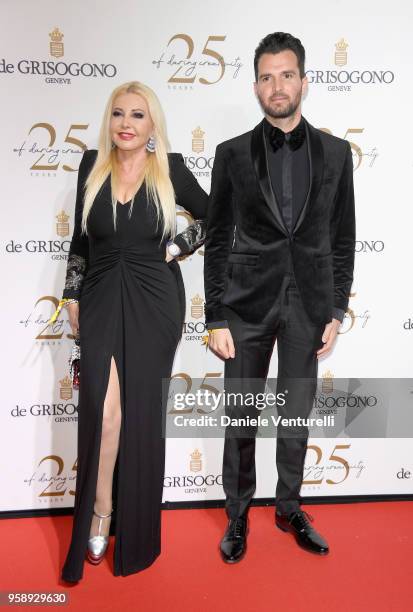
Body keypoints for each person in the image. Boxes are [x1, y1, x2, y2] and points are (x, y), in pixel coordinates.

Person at [204, 32, 355, 563]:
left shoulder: (336, 154)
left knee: (295, 414)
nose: (277, 85)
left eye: (286, 74)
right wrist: (215, 312)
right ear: (255, 87)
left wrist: (336, 307)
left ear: (304, 81)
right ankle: (238, 513)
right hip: (244, 304)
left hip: (309, 305)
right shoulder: (231, 154)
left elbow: (342, 236)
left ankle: (289, 506)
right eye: (267, 77)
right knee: (240, 414)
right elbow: (218, 236)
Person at [58, 81, 208, 581]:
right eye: (119, 113)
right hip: (100, 294)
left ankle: (137, 529)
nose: (126, 123)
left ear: (152, 125)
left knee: (138, 413)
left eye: (138, 115)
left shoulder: (171, 169)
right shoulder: (91, 167)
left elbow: (216, 213)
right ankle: (102, 510)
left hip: (154, 299)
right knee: (103, 412)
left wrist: (176, 247)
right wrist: (71, 295)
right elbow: (80, 242)